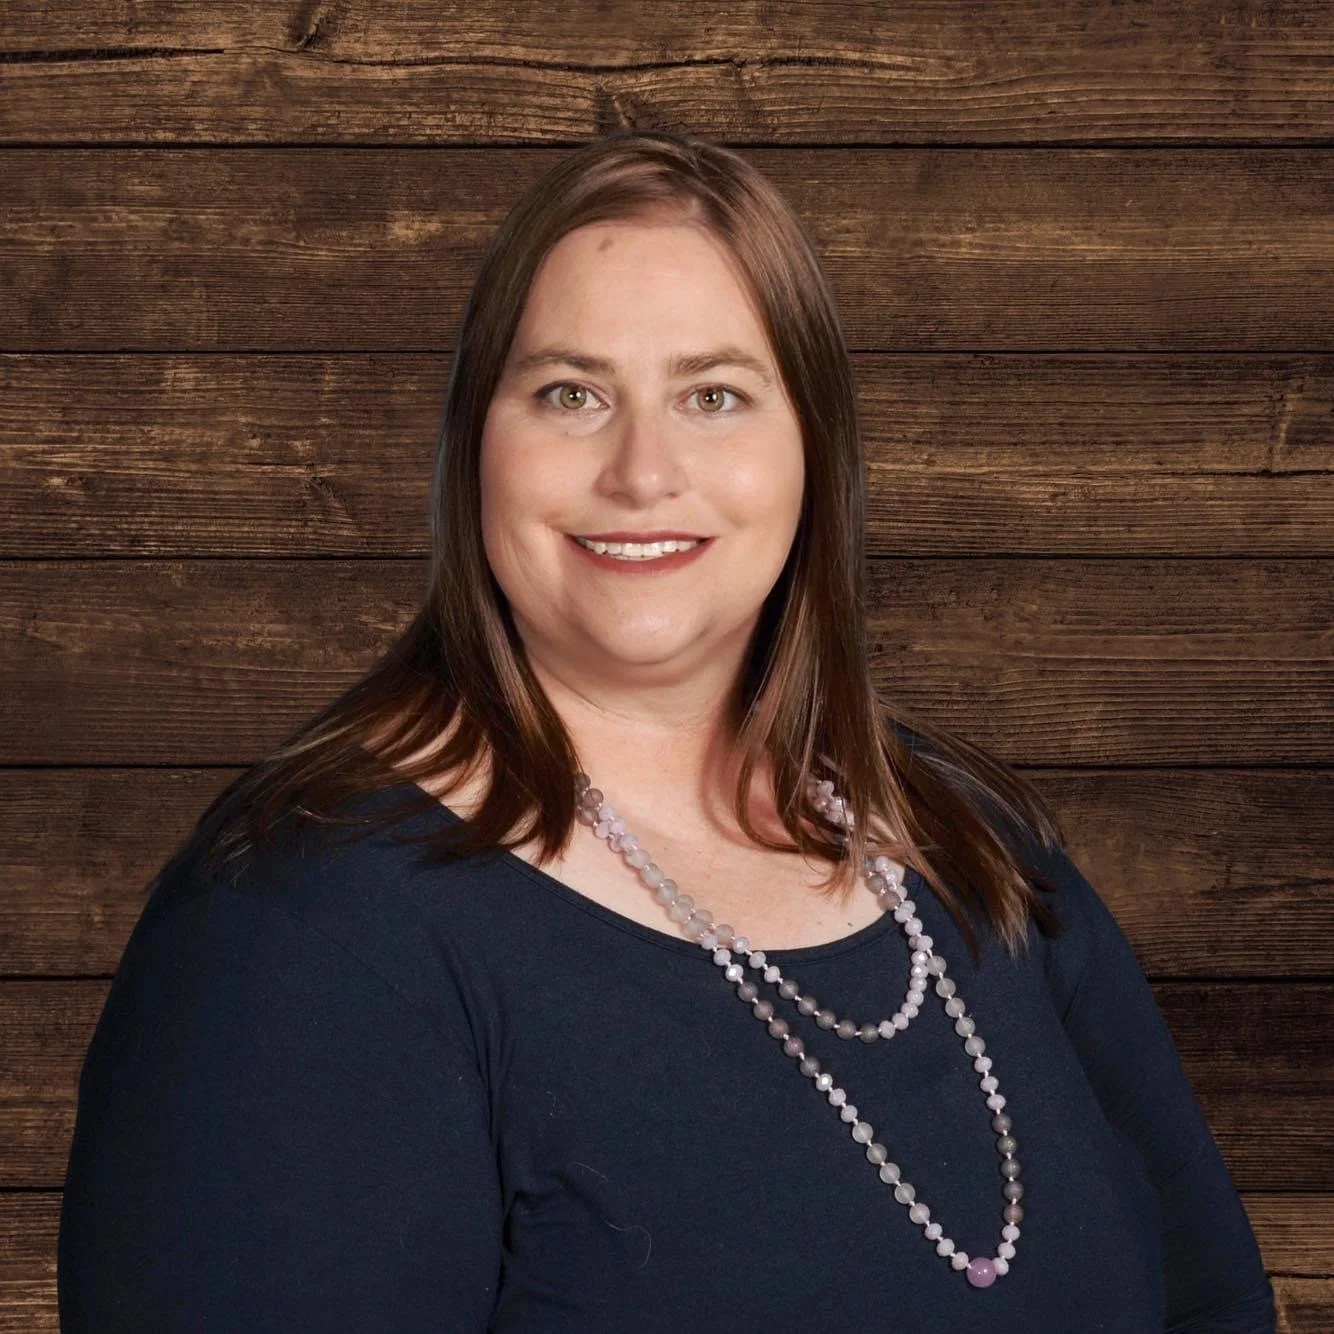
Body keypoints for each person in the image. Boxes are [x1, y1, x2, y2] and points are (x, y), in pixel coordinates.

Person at [57, 130, 1276, 1332]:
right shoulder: (296, 928)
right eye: (570, 393)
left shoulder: (974, 847)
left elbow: (1210, 1301)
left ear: (812, 447)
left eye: (713, 395)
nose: (644, 471)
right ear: (476, 442)